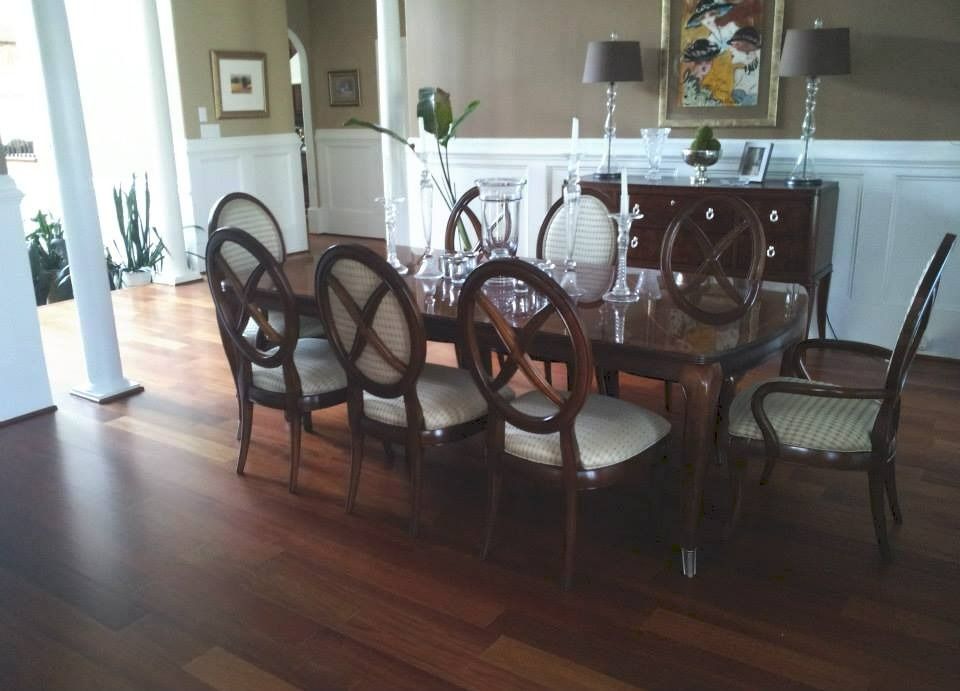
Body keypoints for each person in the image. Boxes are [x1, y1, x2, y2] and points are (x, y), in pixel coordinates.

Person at [681, 39, 722, 107]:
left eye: (708, 61)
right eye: (709, 61)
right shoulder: (691, 84)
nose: (705, 65)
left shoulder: (692, 82)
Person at [728, 26, 762, 105]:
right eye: (732, 45)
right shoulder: (738, 66)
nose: (731, 49)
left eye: (737, 44)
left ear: (749, 45)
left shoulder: (759, 59)